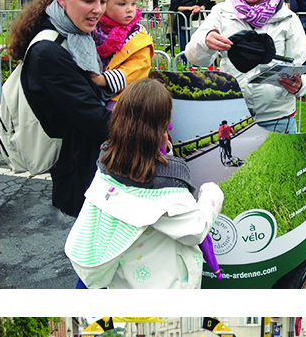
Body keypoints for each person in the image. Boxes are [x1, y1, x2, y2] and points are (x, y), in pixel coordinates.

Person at [64, 79, 223, 289]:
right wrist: (211, 192)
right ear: (163, 125)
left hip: (120, 279)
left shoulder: (106, 164)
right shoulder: (166, 191)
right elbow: (196, 229)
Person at [5, 0, 113, 216]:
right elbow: (94, 119)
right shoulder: (49, 52)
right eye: (89, 0)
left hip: (87, 162)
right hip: (80, 171)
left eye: (104, 0)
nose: (98, 10)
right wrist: (146, 127)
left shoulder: (77, 35)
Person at [184, 0, 306, 133]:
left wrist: (300, 84)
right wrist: (205, 41)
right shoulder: (221, 12)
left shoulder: (288, 19)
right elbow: (194, 57)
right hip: (232, 118)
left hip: (277, 120)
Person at [95, 0, 154, 102]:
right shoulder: (91, 27)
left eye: (134, 4)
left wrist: (103, 79)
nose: (130, 9)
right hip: (92, 92)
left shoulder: (138, 35)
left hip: (124, 97)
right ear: (103, 2)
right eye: (122, 4)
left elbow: (139, 67)